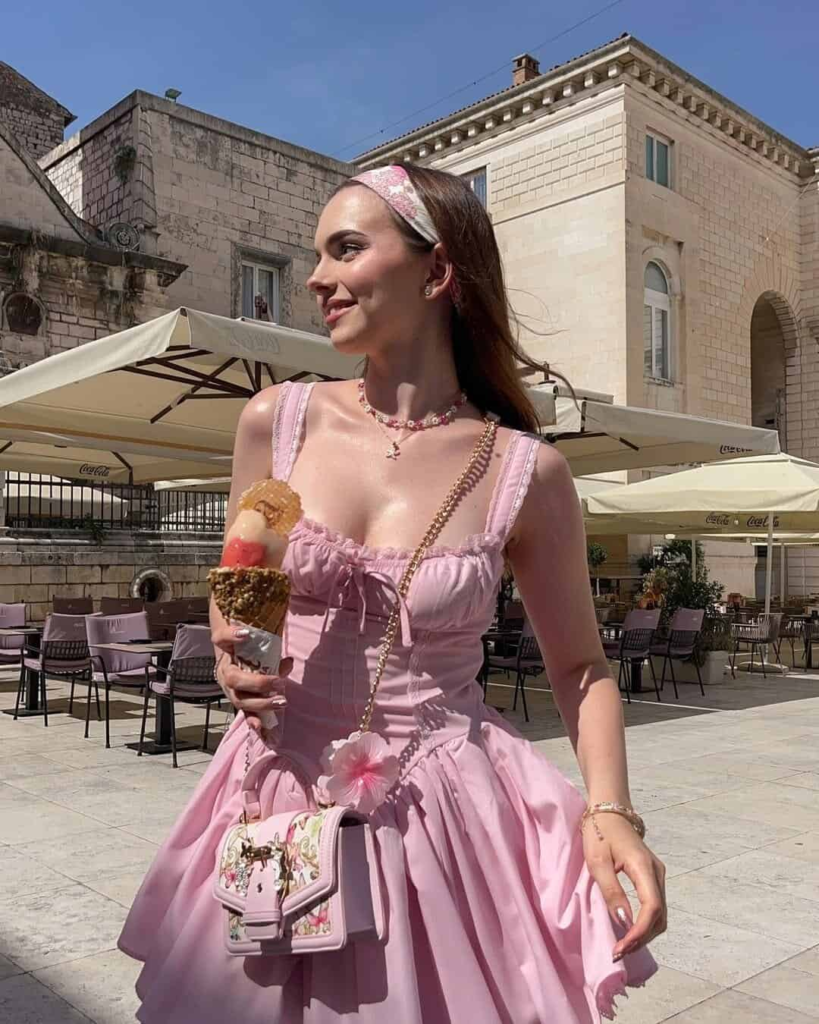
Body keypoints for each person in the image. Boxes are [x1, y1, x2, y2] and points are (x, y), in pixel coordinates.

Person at [120, 164, 663, 1022]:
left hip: (442, 807)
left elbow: (582, 668)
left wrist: (609, 809)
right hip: (277, 789)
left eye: (345, 249)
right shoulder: (275, 421)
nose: (315, 278)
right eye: (315, 255)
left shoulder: (526, 473)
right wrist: (233, 649)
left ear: (437, 270)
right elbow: (243, 579)